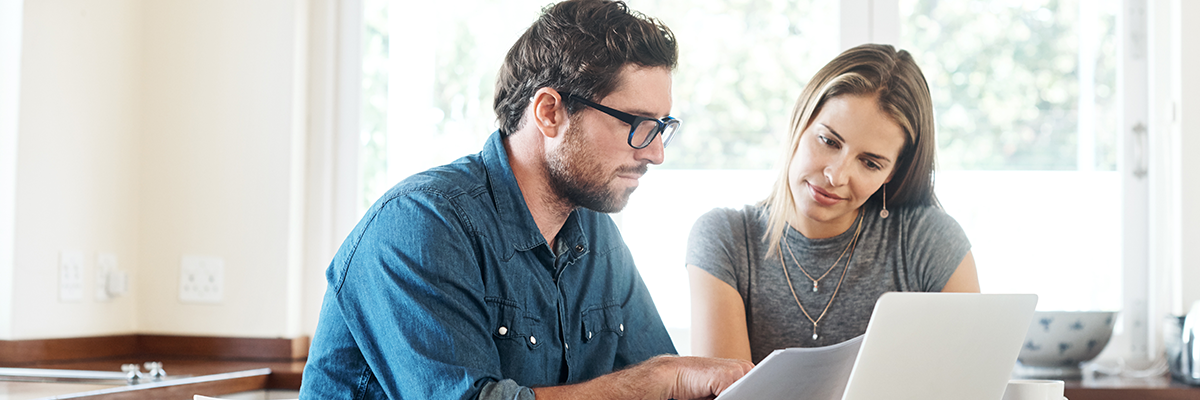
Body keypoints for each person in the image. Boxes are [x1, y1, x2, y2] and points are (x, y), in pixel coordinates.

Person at [300, 0, 752, 399]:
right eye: (636, 123)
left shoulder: (597, 237)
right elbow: (655, 382)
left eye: (662, 126)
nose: (655, 152)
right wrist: (655, 381)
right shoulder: (419, 223)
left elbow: (665, 386)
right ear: (549, 112)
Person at [686, 43, 981, 364]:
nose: (836, 175)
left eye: (870, 163)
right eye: (828, 141)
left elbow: (968, 383)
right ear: (801, 122)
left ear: (892, 174)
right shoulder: (725, 239)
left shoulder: (928, 242)